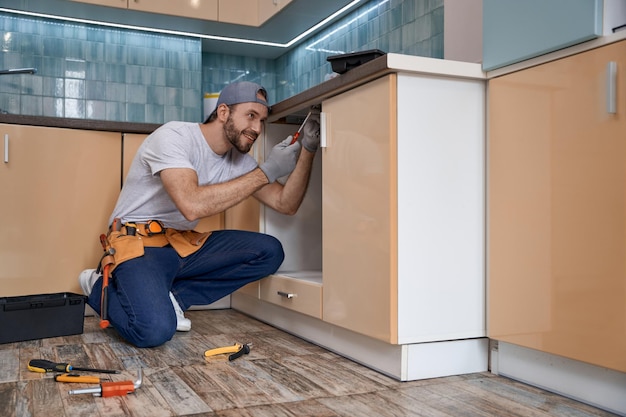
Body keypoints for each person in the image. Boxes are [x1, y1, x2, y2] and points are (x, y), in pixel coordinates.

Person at [79, 81, 320, 348]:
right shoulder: (174, 137)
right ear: (224, 112)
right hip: (139, 245)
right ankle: (98, 286)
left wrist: (308, 150)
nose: (257, 129)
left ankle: (176, 299)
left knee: (270, 251)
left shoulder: (239, 162)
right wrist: (266, 172)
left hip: (182, 246)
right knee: (154, 331)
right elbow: (190, 204)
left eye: (262, 121)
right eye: (251, 116)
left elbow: (286, 203)